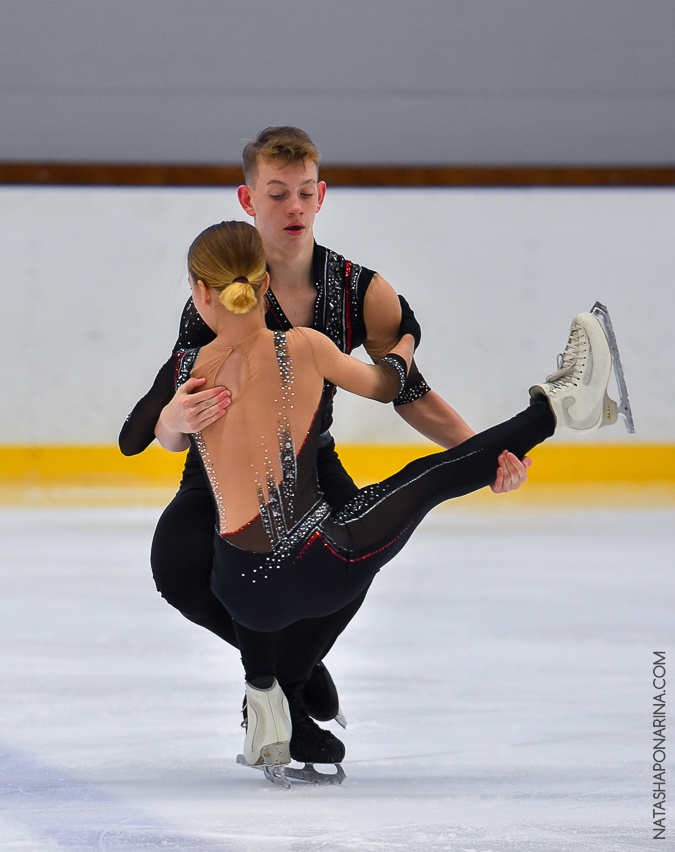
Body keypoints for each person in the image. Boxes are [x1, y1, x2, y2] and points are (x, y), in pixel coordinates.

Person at [150, 219, 621, 782]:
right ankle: (561, 407)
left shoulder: (187, 372)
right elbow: (389, 385)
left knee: (243, 534)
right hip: (319, 566)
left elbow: (160, 438)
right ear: (264, 283)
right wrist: (405, 344)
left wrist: (169, 417)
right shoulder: (305, 346)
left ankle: (266, 695)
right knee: (428, 478)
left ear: (200, 292)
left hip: (242, 592)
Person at [119, 126, 531, 765]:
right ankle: (297, 670)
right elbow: (163, 413)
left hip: (311, 462)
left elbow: (408, 392)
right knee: (176, 566)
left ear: (322, 195)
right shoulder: (218, 288)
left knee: (350, 557)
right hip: (222, 476)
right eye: (277, 193)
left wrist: (484, 453)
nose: (294, 207)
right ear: (248, 199)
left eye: (305, 193)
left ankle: (284, 683)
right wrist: (174, 416)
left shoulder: (359, 291)